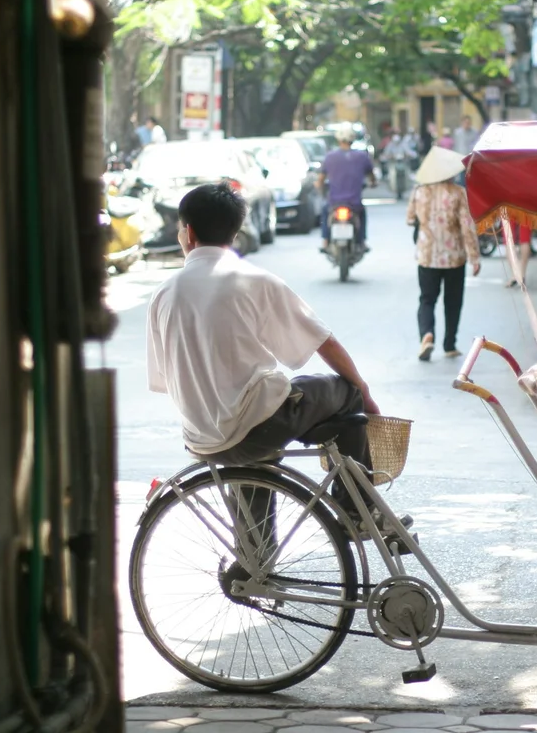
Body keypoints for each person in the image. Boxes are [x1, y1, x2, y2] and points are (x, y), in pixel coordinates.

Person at [146, 182, 406, 532]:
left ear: (187, 233)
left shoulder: (164, 293)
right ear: (235, 233)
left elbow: (166, 378)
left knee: (249, 439)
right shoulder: (251, 280)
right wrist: (365, 394)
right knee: (347, 393)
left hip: (203, 438)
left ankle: (254, 565)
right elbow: (323, 342)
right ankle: (357, 513)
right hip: (257, 427)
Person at [405, 147, 482, 361]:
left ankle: (427, 335)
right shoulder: (458, 192)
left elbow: (410, 218)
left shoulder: (419, 191)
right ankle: (449, 344)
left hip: (427, 256)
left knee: (427, 299)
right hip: (454, 257)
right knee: (453, 301)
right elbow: (467, 226)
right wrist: (474, 257)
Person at [318, 131, 377, 251]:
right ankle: (362, 241)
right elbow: (372, 176)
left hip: (334, 202)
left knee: (325, 211)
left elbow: (320, 180)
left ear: (339, 140)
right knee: (362, 214)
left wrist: (321, 190)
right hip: (354, 203)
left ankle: (325, 240)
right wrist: (373, 183)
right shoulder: (362, 156)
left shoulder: (330, 157)